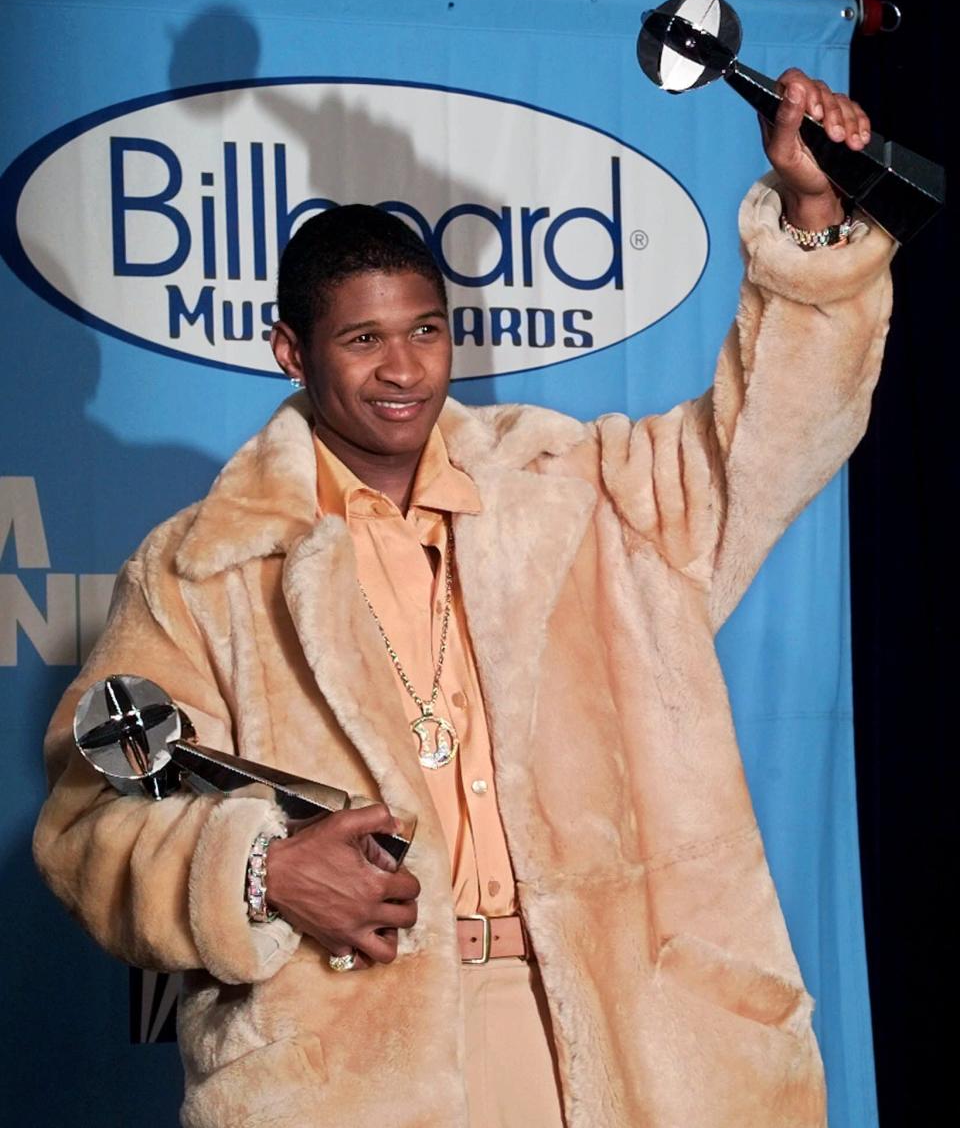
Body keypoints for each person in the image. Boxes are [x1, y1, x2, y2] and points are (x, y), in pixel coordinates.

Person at [34, 71, 893, 1128]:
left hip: (620, 1043)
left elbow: (760, 448)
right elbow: (91, 824)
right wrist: (259, 874)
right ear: (290, 352)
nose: (406, 370)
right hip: (360, 1067)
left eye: (428, 331)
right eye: (363, 340)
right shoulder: (205, 569)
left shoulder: (574, 491)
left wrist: (813, 220)